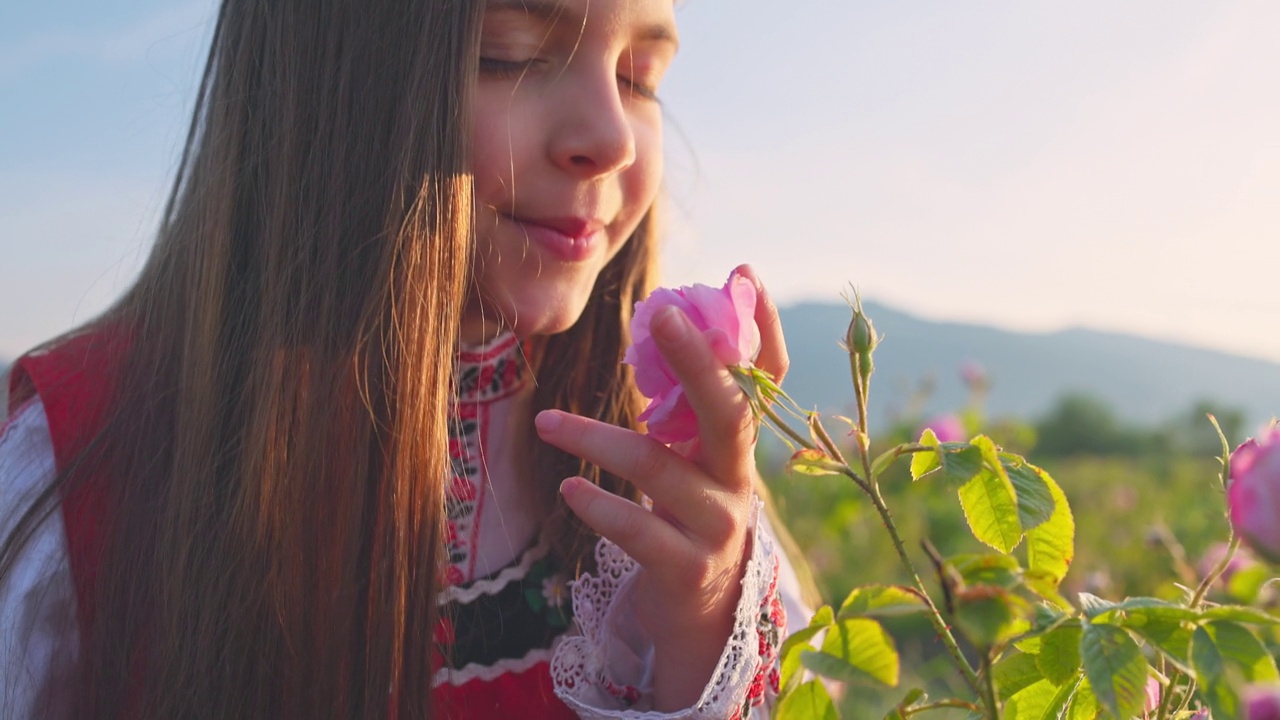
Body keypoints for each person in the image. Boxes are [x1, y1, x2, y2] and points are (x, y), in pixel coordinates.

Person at [0, 1, 812, 718]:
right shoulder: (80, 463)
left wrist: (705, 635)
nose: (610, 139)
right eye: (511, 53)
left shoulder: (661, 470)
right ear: (323, 75)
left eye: (639, 77)